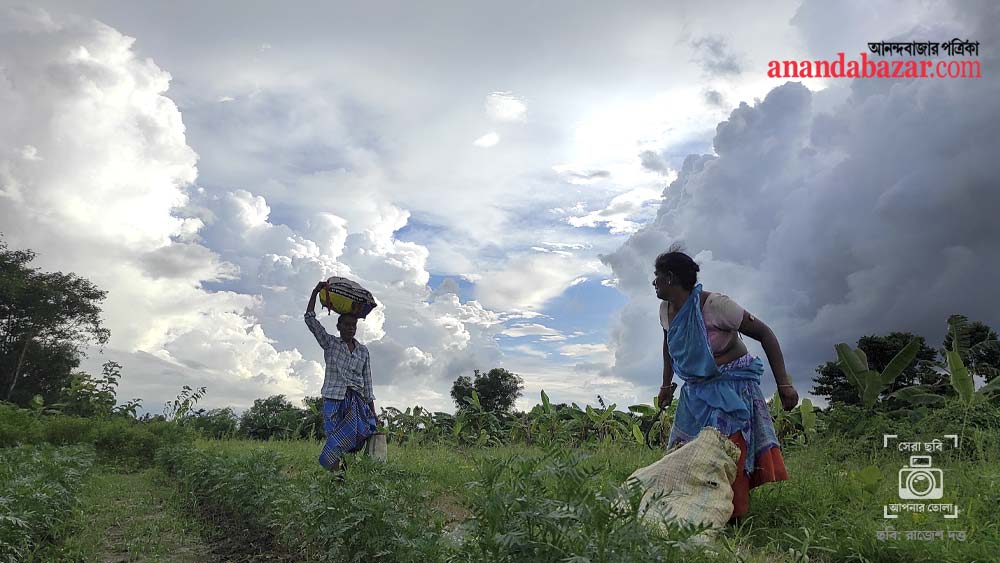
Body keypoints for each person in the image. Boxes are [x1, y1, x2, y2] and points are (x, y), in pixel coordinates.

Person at [653, 246, 796, 522]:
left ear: (670, 278)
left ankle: (731, 515)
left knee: (725, 451)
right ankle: (687, 511)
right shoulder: (665, 310)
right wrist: (665, 385)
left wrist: (784, 385)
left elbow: (765, 333)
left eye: (656, 276)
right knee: (686, 451)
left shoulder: (715, 305)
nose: (654, 282)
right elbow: (668, 346)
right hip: (695, 391)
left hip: (731, 387)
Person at [305, 281, 378, 478]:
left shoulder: (363, 351)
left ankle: (343, 469)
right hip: (333, 399)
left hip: (355, 401)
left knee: (360, 433)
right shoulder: (330, 344)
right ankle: (339, 477)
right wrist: (315, 293)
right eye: (346, 325)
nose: (350, 329)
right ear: (338, 326)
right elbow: (310, 320)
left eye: (353, 325)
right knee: (334, 439)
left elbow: (368, 382)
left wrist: (373, 411)